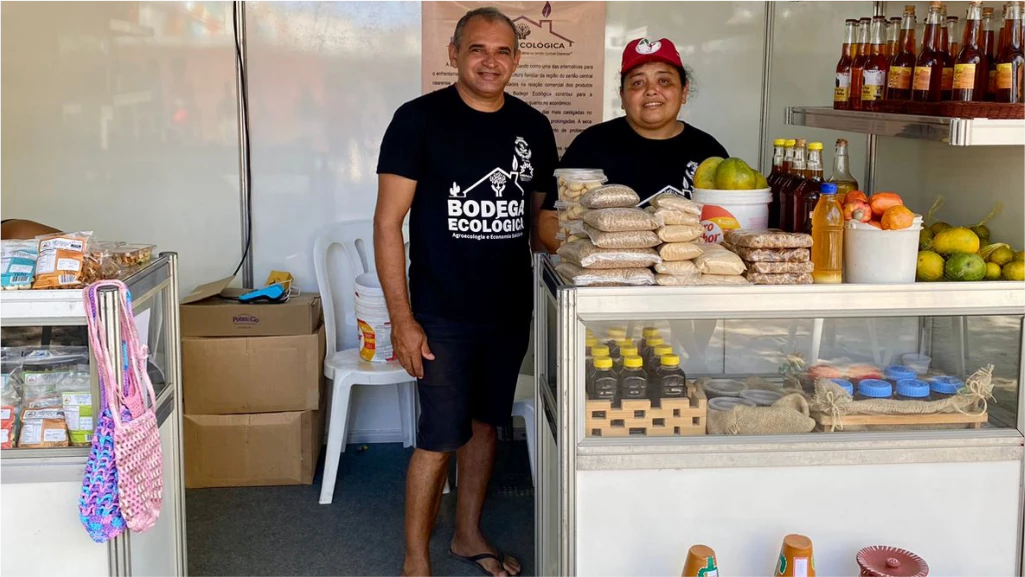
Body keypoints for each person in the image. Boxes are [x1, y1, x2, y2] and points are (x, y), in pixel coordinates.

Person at [374, 7, 557, 577]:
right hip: (440, 313)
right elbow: (387, 225)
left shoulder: (534, 127)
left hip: (507, 311)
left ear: (517, 60)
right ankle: (415, 560)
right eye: (477, 49)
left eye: (502, 51)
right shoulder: (417, 120)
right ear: (453, 53)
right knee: (437, 437)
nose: (490, 62)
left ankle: (466, 534)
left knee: (484, 424)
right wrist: (403, 320)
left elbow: (542, 226)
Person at [538, 37, 728, 252]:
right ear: (622, 96)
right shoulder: (591, 144)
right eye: (638, 83)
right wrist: (596, 264)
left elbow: (729, 223)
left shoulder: (708, 151)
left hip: (686, 272)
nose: (651, 90)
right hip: (610, 272)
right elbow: (549, 221)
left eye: (664, 81)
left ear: (684, 91)